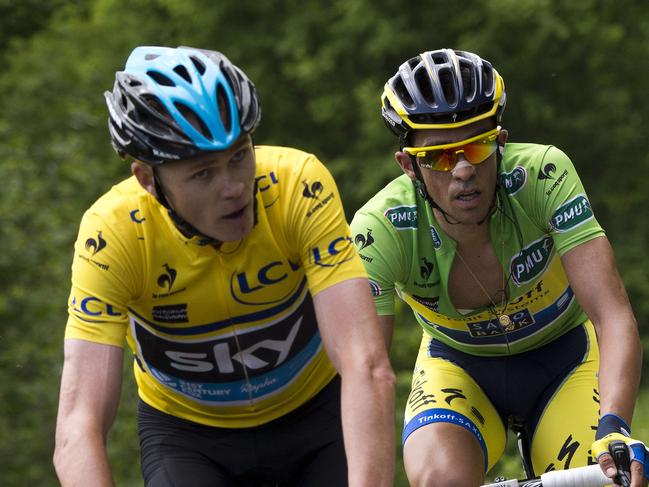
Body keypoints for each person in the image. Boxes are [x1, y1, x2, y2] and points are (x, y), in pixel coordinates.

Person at [53, 45, 396, 487]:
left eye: (239, 155)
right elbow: (78, 427)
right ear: (147, 180)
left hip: (315, 412)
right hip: (189, 437)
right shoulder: (113, 235)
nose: (233, 187)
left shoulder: (297, 185)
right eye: (203, 173)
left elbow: (366, 365)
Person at [351, 48, 647, 486]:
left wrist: (615, 426)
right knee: (440, 480)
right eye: (440, 157)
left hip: (565, 354)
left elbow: (613, 314)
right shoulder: (379, 229)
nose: (464, 169)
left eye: (476, 146)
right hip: (458, 365)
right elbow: (366, 372)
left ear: (501, 142)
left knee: (601, 478)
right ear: (408, 165)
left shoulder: (543, 175)